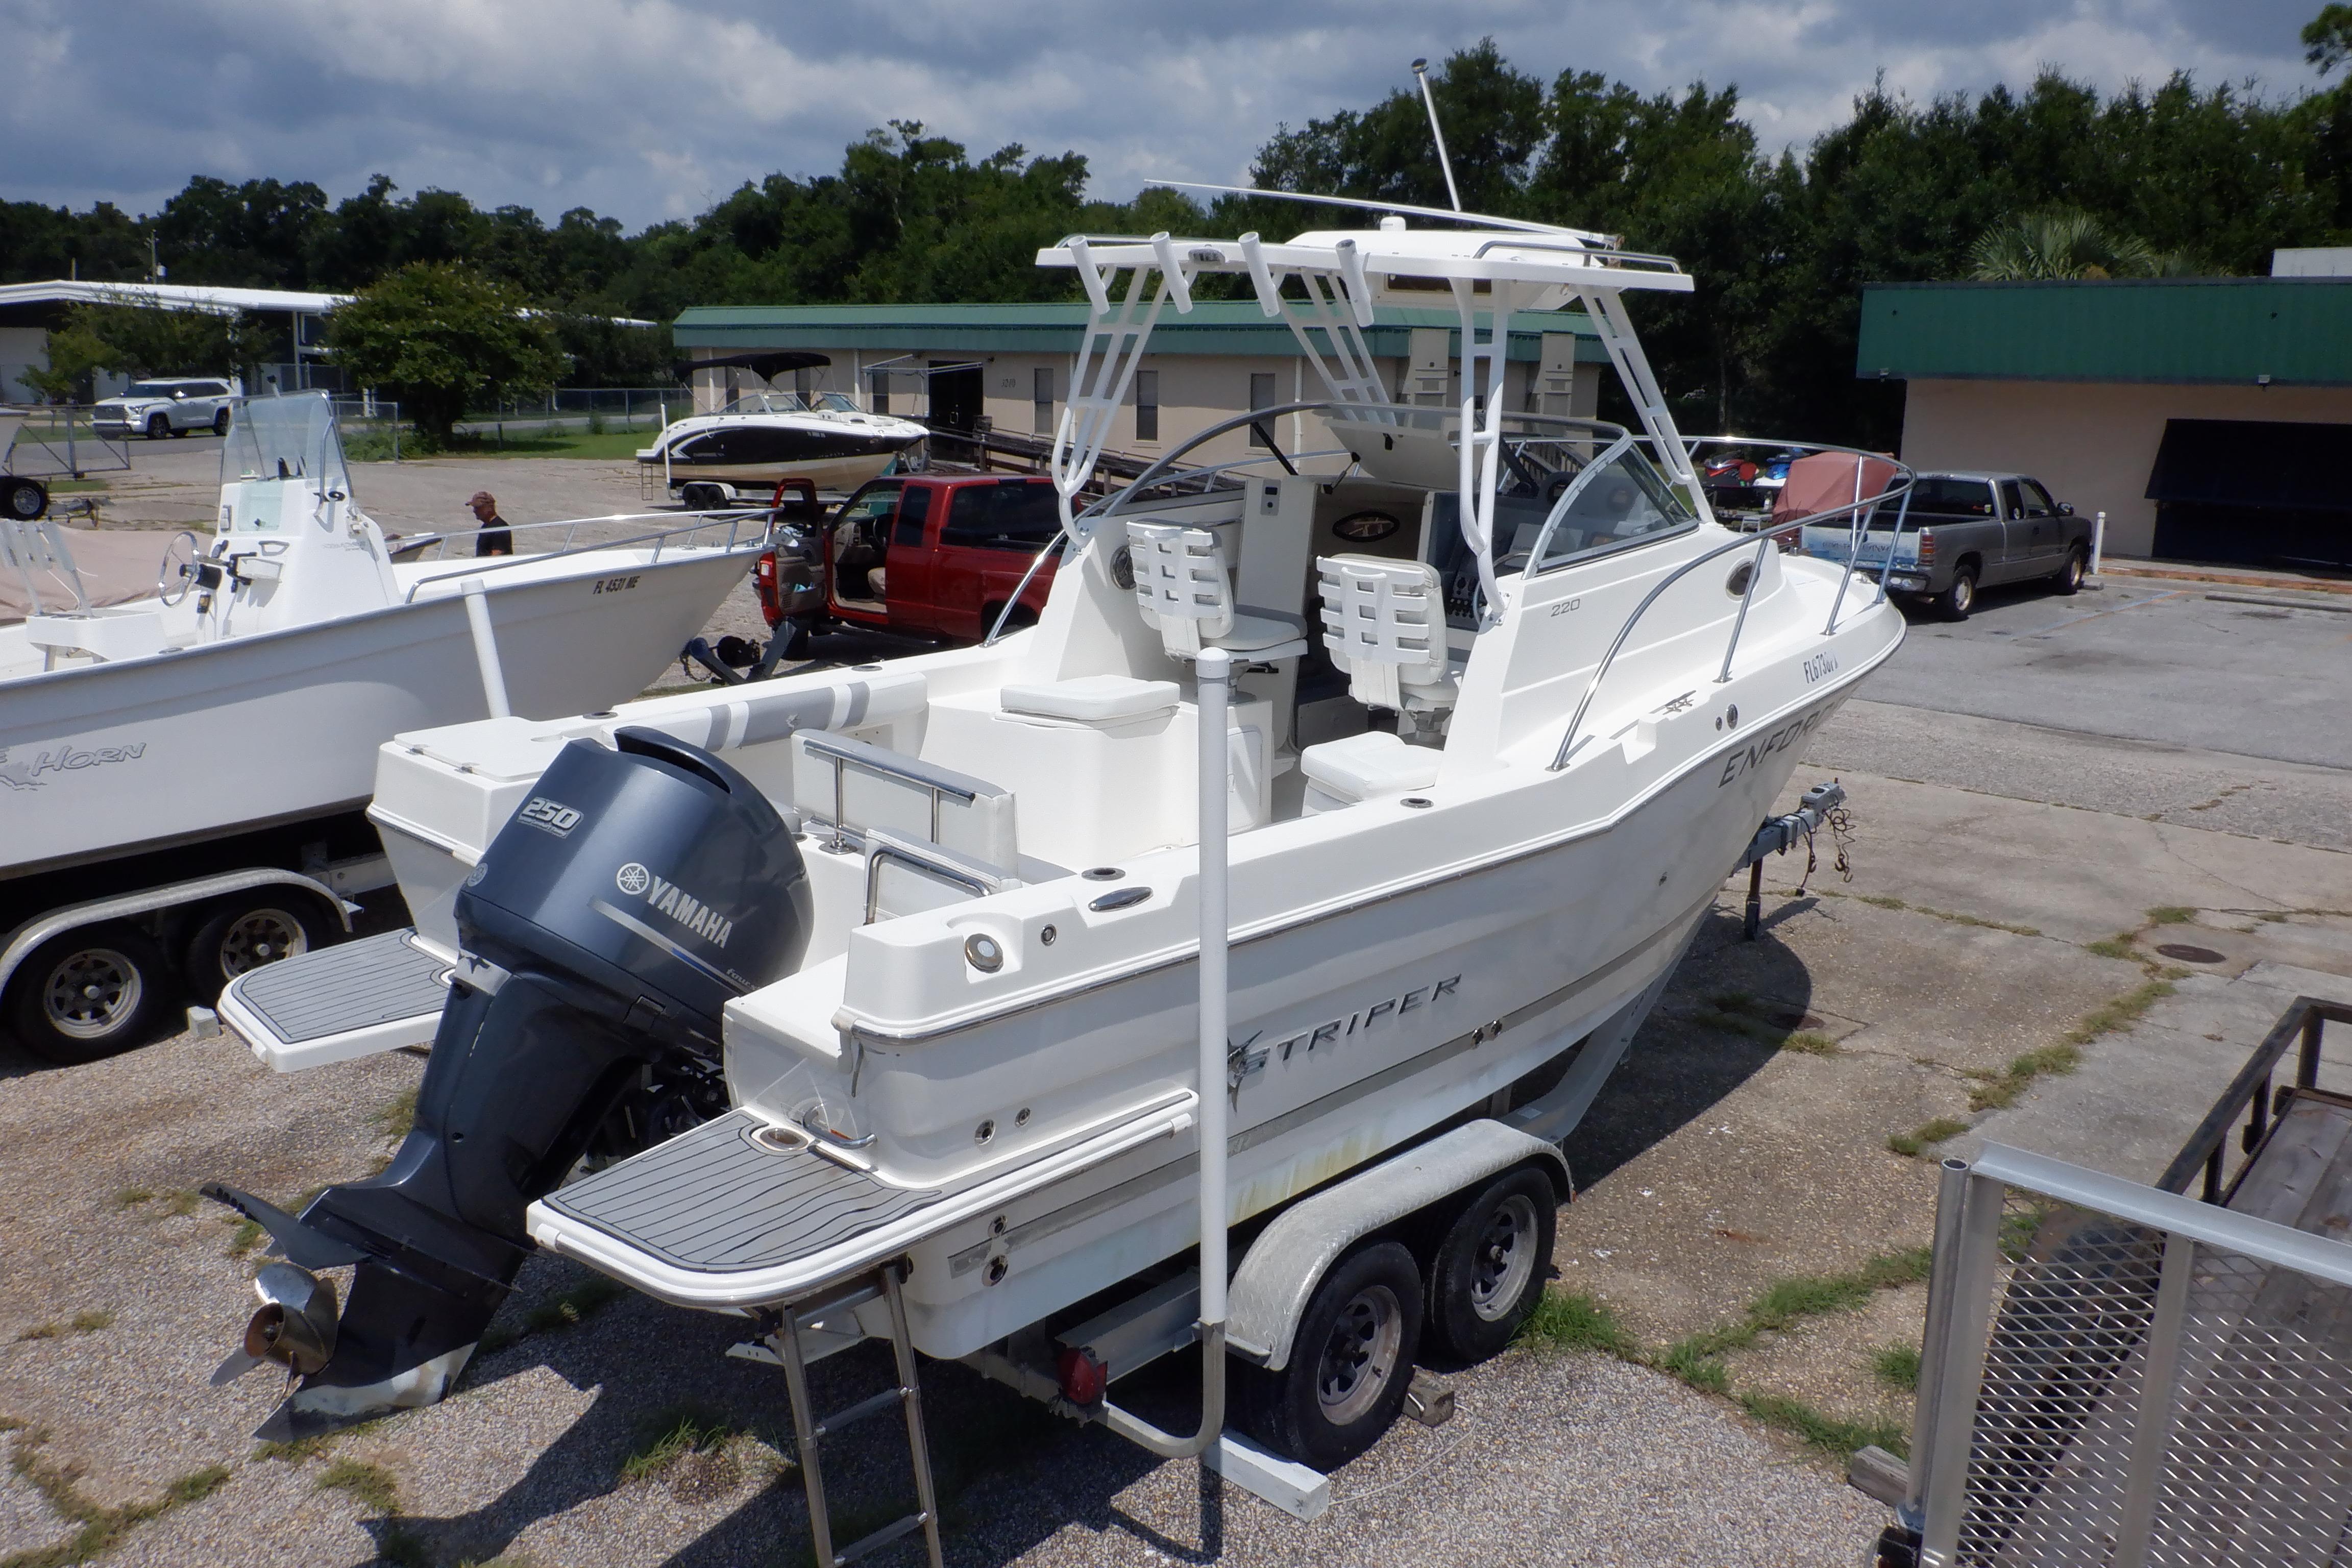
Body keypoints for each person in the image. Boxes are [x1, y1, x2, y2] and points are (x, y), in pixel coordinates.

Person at [469, 491, 513, 557]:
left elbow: (497, 555)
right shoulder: (486, 526)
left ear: (489, 508)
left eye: (478, 508)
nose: (474, 511)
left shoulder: (499, 528)